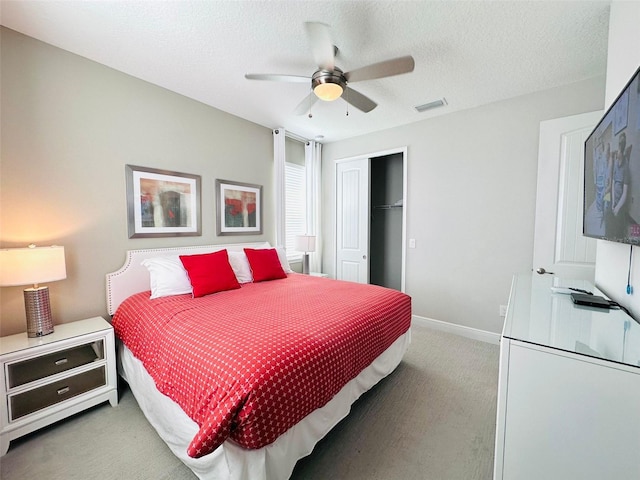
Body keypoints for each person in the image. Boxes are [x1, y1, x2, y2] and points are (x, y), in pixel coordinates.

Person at [609, 132, 633, 239]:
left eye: (620, 147)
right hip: (615, 200)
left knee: (620, 230)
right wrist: (613, 202)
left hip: (621, 204)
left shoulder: (626, 168)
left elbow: (625, 193)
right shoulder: (615, 164)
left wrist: (617, 207)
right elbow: (613, 184)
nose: (617, 152)